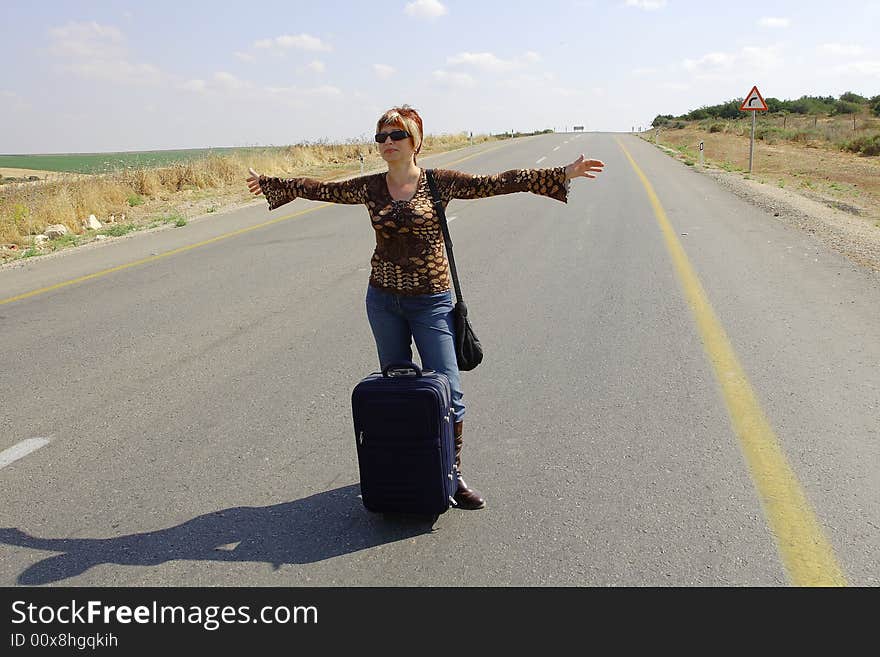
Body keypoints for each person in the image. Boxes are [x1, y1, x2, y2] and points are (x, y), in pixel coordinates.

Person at [246, 105, 604, 510]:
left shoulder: (439, 183)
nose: (387, 144)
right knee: (395, 388)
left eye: (396, 136)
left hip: (431, 302)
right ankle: (402, 469)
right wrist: (274, 183)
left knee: (449, 391)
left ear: (416, 141)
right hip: (382, 300)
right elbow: (322, 189)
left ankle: (452, 476)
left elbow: (498, 182)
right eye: (381, 137)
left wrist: (559, 174)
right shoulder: (370, 187)